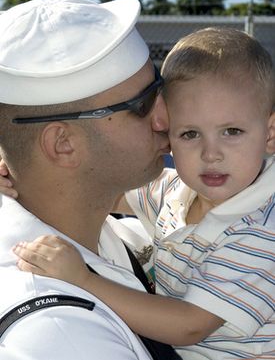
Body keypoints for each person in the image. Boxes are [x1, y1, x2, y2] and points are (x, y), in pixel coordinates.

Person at [8, 27, 275, 360]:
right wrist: (17, 176)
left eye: (231, 131)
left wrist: (84, 280)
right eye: (190, 133)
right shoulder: (176, 190)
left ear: (270, 134)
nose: (211, 154)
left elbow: (190, 326)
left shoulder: (259, 230)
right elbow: (110, 195)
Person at [0, 0, 183, 360]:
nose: (168, 118)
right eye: (143, 103)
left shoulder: (107, 228)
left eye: (161, 89)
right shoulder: (58, 335)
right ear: (63, 143)